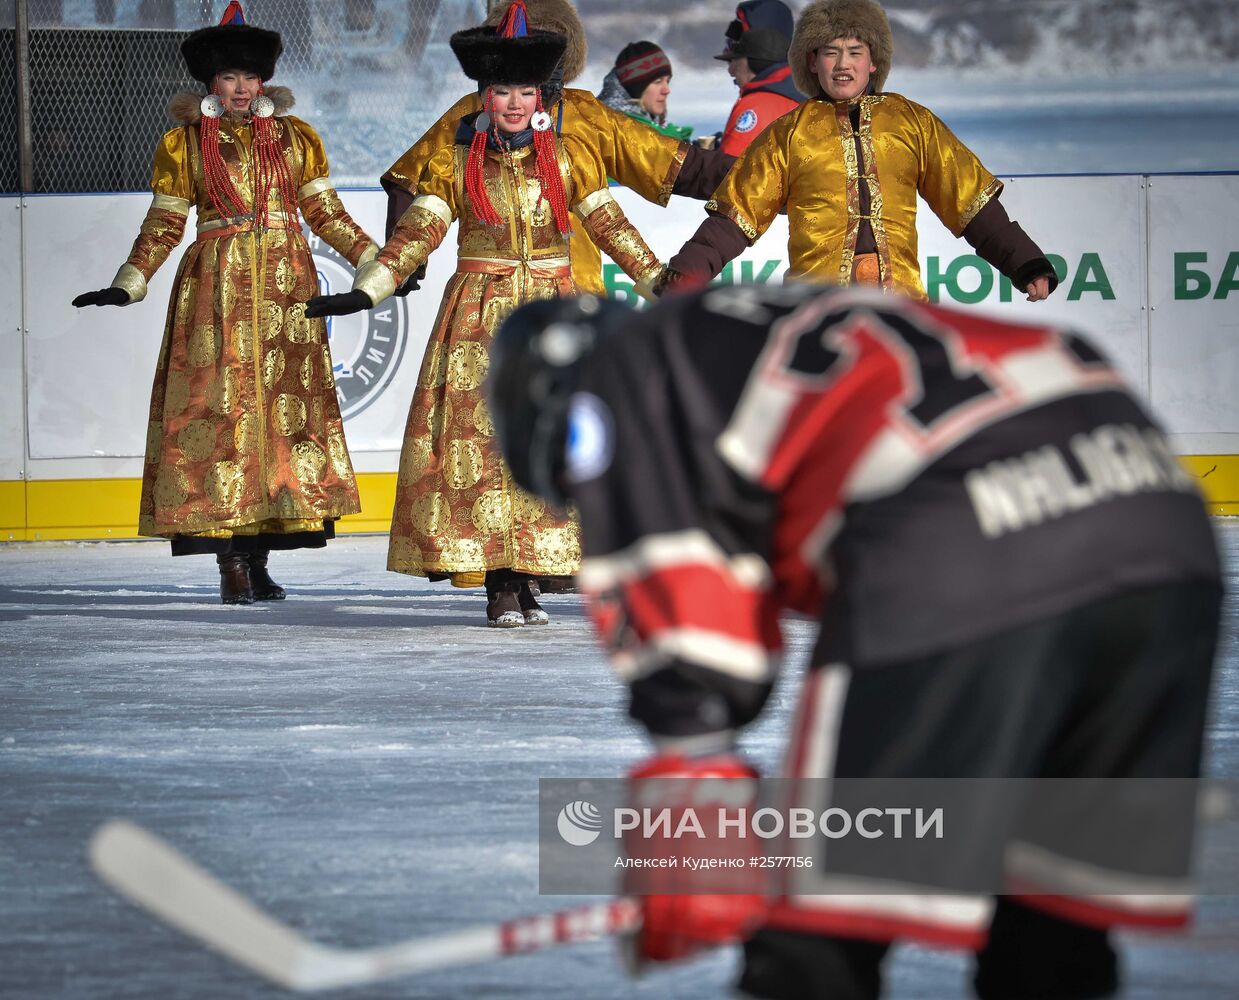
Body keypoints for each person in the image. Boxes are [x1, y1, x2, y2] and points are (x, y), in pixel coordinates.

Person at [488, 285, 1222, 999]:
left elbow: (675, 579)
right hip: (1163, 530)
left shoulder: (622, 372)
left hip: (968, 531)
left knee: (817, 934)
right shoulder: (750, 327)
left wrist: (694, 770)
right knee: (1049, 920)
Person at [304, 4, 665, 629]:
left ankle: (528, 575)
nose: (516, 103)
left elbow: (613, 228)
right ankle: (499, 581)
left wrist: (663, 282)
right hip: (480, 317)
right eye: (503, 91)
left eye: (526, 91)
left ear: (540, 94)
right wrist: (367, 291)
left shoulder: (567, 156)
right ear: (483, 95)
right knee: (488, 446)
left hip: (553, 316)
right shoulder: (455, 159)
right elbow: (417, 235)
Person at [71, 1, 376, 605]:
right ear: (211, 83)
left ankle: (259, 558)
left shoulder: (296, 138)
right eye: (229, 78)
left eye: (250, 77)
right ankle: (230, 561)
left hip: (288, 286)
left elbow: (325, 213)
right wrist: (129, 280)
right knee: (223, 419)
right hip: (217, 284)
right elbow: (164, 222)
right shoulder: (185, 143)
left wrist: (380, 266)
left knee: (280, 427)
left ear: (264, 82)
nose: (241, 88)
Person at [666, 0, 1057, 302]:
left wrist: (1025, 263)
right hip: (818, 313)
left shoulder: (912, 122)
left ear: (873, 62)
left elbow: (970, 202)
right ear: (812, 61)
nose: (843, 64)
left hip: (900, 310)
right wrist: (683, 278)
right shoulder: (788, 134)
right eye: (830, 52)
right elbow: (734, 218)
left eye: (855, 51)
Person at [380, 0, 734, 299]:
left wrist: (758, 181)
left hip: (575, 294)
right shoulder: (473, 114)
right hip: (491, 299)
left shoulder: (585, 115)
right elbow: (408, 179)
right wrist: (405, 260)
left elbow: (679, 166)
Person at [713, 0, 803, 155]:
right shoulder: (803, 95)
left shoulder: (759, 106)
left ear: (755, 60)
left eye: (733, 60)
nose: (730, 71)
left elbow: (730, 174)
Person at [596, 41, 692, 142]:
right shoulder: (621, 134)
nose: (667, 90)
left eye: (667, 81)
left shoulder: (654, 128)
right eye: (657, 81)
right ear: (635, 88)